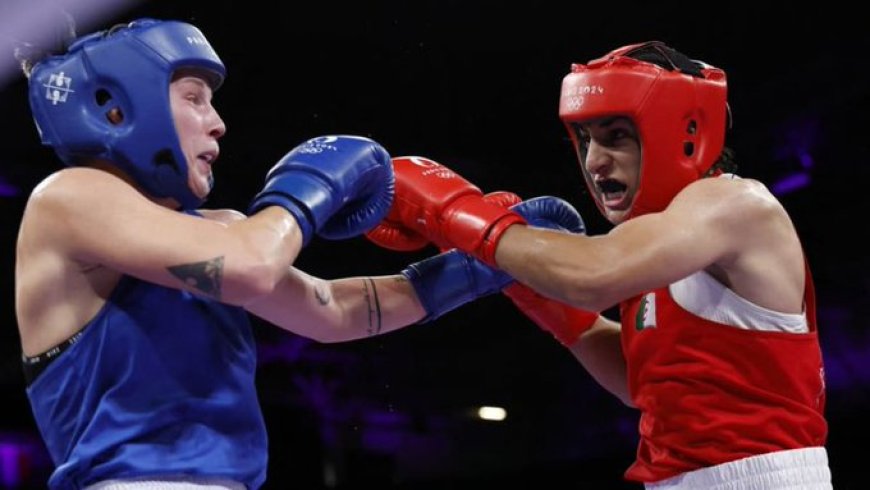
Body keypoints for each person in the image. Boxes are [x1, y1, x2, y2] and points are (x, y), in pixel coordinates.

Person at [13, 17, 582, 490]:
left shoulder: (223, 233)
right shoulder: (70, 197)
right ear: (118, 108)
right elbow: (251, 265)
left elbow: (332, 310)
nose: (218, 123)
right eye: (193, 98)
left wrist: (482, 264)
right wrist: (308, 188)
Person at [365, 41, 832, 489]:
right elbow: (640, 381)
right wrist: (558, 312)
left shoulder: (735, 203)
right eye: (586, 138)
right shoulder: (657, 242)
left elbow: (593, 276)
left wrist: (453, 212)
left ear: (685, 133)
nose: (594, 161)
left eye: (617, 137)